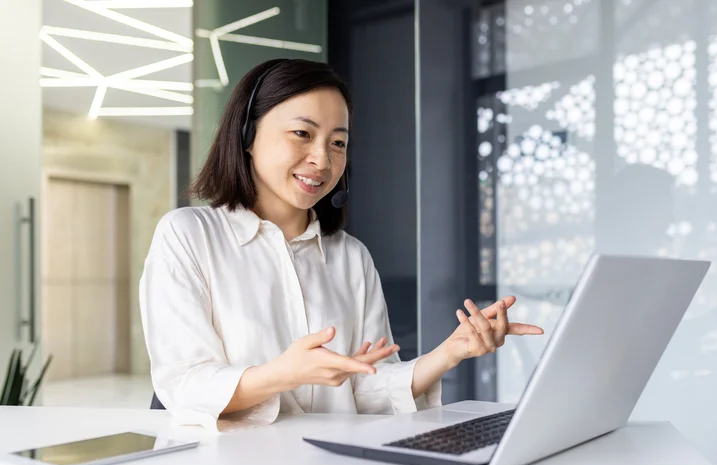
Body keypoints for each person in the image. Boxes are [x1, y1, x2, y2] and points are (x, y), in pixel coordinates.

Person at [139, 58, 543, 430]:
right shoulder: (189, 235)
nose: (323, 159)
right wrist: (285, 373)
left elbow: (366, 389)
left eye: (338, 143)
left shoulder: (351, 256)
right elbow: (185, 384)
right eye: (302, 134)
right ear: (247, 134)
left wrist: (449, 353)